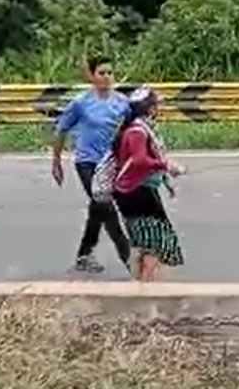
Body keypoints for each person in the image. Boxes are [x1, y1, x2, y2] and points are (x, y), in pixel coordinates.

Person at [51, 55, 132, 273]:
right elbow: (61, 130)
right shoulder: (81, 103)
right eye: (101, 73)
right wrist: (56, 161)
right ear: (92, 76)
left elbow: (132, 131)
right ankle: (129, 257)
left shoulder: (122, 103)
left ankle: (83, 255)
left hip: (110, 163)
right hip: (87, 162)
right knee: (107, 208)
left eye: (109, 73)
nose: (106, 77)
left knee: (97, 210)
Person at [105, 87, 185, 282]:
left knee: (143, 242)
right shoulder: (138, 131)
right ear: (149, 109)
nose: (160, 108)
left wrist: (166, 181)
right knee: (155, 243)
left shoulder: (138, 128)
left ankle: (140, 285)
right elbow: (140, 160)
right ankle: (146, 290)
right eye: (157, 105)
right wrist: (166, 165)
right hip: (137, 192)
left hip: (134, 192)